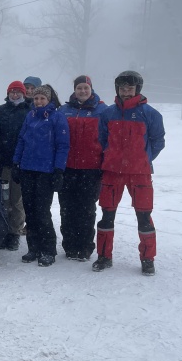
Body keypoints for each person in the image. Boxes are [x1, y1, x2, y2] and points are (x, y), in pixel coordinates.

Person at [94, 70, 165, 276]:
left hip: (140, 173)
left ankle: (147, 258)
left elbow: (158, 141)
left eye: (130, 88)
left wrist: (144, 159)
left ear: (137, 89)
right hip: (112, 172)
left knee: (144, 217)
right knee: (107, 215)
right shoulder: (108, 113)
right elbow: (101, 139)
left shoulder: (150, 114)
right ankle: (104, 256)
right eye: (122, 88)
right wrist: (111, 156)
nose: (126, 92)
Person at [12, 85, 70, 267]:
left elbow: (63, 146)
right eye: (36, 98)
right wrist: (16, 163)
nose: (38, 101)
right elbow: (22, 139)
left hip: (46, 171)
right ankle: (33, 247)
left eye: (42, 99)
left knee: (42, 211)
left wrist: (59, 170)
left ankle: (48, 250)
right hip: (28, 168)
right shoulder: (30, 116)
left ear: (49, 99)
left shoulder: (57, 117)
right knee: (29, 210)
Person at [58, 75, 106, 261]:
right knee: (67, 208)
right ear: (74, 90)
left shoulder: (102, 110)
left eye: (86, 88)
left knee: (86, 209)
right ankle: (70, 245)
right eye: (79, 88)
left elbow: (108, 139)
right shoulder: (65, 110)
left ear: (91, 89)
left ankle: (85, 246)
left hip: (91, 168)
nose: (82, 91)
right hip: (68, 168)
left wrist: (104, 164)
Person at [0, 81, 31, 250]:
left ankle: (14, 232)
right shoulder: (0, 111)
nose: (15, 95)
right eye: (12, 92)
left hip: (19, 163)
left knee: (16, 200)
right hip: (1, 161)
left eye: (18, 92)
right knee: (0, 199)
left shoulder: (29, 111)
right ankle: (2, 230)